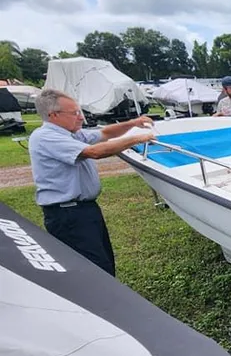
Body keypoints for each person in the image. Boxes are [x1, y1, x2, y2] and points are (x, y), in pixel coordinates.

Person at [28, 89, 155, 276]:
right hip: (68, 214)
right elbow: (95, 152)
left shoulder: (71, 133)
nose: (81, 118)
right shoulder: (46, 137)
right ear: (53, 115)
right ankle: (104, 304)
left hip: (84, 210)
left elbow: (104, 133)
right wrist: (137, 138)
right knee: (93, 270)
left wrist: (133, 123)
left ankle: (110, 301)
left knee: (104, 262)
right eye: (75, 113)